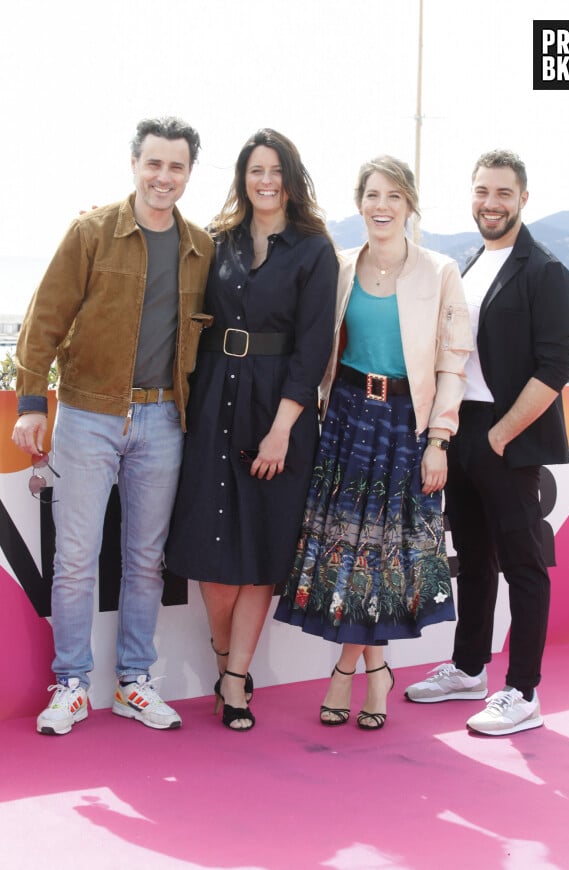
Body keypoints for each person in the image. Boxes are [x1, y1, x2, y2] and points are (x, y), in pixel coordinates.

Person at [12, 117, 213, 735]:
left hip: (162, 420)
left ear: (188, 174)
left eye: (176, 166)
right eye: (154, 163)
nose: (164, 176)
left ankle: (134, 682)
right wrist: (29, 404)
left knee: (145, 561)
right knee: (74, 559)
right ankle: (71, 685)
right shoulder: (92, 231)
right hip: (88, 413)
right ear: (134, 164)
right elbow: (44, 317)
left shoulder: (200, 248)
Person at [274, 155, 472, 730]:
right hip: (344, 419)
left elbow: (453, 359)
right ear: (359, 203)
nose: (381, 206)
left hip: (406, 424)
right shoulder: (337, 266)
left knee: (385, 556)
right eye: (371, 196)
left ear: (410, 205)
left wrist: (439, 438)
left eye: (393, 196)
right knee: (351, 553)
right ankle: (377, 672)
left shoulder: (439, 272)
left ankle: (346, 671)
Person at [165, 128, 338, 731]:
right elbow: (167, 265)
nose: (265, 181)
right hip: (215, 397)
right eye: (255, 171)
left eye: (275, 171)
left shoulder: (316, 250)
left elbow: (315, 346)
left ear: (292, 178)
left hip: (278, 408)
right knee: (211, 557)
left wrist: (283, 429)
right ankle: (223, 661)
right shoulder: (217, 241)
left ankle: (236, 679)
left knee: (262, 550)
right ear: (243, 178)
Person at [405, 150, 569, 735]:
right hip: (462, 432)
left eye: (503, 193)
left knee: (525, 566)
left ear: (523, 198)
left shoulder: (546, 271)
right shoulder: (470, 264)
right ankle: (467, 668)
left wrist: (503, 434)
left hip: (510, 437)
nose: (491, 203)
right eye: (482, 191)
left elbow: (555, 369)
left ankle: (523, 691)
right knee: (475, 561)